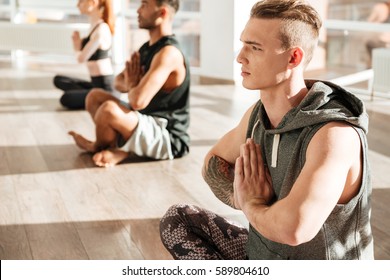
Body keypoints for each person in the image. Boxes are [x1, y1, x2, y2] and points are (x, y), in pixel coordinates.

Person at [160, 0, 374, 260]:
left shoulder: (334, 134)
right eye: (243, 44)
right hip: (264, 256)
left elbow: (295, 229)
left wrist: (253, 205)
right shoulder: (256, 116)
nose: (240, 56)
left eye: (255, 48)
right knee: (178, 219)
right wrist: (241, 196)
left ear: (293, 57)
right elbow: (212, 164)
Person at [69, 0, 190, 167]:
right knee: (94, 96)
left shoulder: (168, 53)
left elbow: (137, 101)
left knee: (108, 110)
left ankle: (97, 146)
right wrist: (134, 84)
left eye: (145, 5)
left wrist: (134, 84)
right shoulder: (147, 48)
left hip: (166, 136)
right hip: (144, 119)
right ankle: (119, 149)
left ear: (162, 13)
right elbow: (118, 81)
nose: (138, 11)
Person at [53, 0, 115, 110]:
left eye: (81, 1)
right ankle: (84, 94)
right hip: (94, 84)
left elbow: (81, 58)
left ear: (93, 3)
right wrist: (77, 46)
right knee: (58, 79)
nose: (78, 5)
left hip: (105, 89)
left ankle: (86, 96)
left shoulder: (102, 29)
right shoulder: (94, 26)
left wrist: (77, 47)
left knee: (66, 98)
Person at [366, 2, 390, 66]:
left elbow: (369, 21)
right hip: (383, 40)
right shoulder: (382, 7)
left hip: (382, 40)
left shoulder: (380, 7)